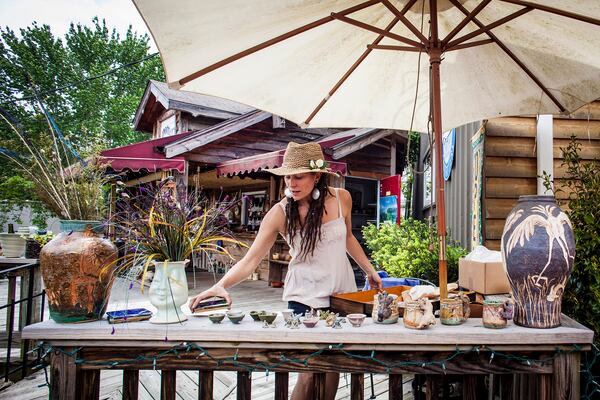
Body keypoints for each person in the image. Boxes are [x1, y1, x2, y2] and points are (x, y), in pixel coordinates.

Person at [189, 141, 382, 400]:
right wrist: (220, 285)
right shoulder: (280, 213)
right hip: (305, 297)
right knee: (309, 371)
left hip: (342, 295)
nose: (292, 183)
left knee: (333, 365)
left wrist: (369, 269)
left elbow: (348, 237)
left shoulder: (341, 198)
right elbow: (250, 260)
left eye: (298, 176)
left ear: (317, 176)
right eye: (288, 177)